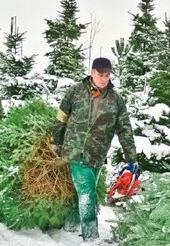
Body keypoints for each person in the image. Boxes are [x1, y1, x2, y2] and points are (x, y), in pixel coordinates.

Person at [53, 57, 138, 242]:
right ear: (92, 73)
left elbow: (124, 129)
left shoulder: (116, 100)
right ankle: (91, 237)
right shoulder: (75, 91)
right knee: (87, 193)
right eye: (100, 74)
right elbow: (61, 118)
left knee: (83, 192)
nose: (104, 78)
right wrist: (55, 143)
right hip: (76, 151)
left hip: (98, 154)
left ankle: (70, 224)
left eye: (107, 75)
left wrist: (132, 157)